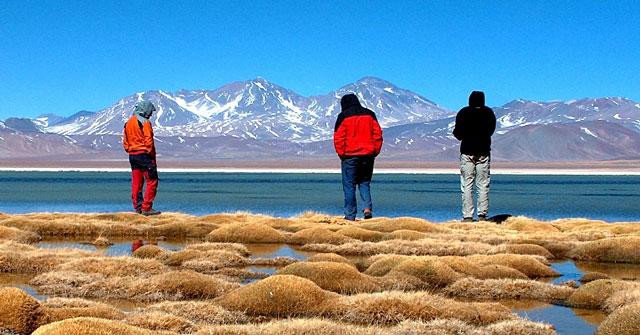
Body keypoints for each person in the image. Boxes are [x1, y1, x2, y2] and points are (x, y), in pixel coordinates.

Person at [333, 94, 383, 221]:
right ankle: (367, 209)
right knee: (364, 183)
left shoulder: (343, 116)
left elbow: (339, 137)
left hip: (350, 156)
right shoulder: (370, 114)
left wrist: (342, 154)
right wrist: (374, 151)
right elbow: (377, 135)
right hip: (368, 156)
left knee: (349, 185)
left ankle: (350, 216)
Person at [453, 91, 496, 222]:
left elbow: (458, 133)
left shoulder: (463, 113)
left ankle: (467, 216)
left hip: (467, 152)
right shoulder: (489, 113)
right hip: (483, 152)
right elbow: (491, 131)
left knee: (467, 184)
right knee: (483, 184)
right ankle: (482, 215)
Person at [123, 101, 161, 216]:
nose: (151, 114)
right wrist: (150, 154)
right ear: (145, 110)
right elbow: (148, 139)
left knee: (137, 182)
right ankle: (146, 208)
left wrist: (130, 150)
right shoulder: (145, 122)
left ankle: (138, 207)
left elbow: (125, 142)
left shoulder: (128, 122)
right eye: (150, 111)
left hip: (133, 156)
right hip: (144, 155)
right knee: (152, 180)